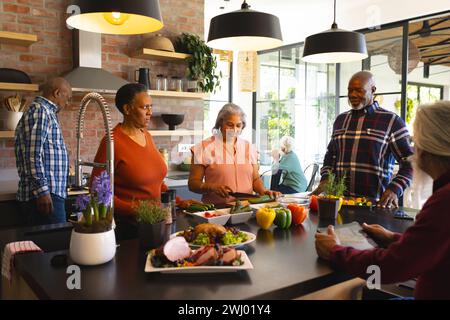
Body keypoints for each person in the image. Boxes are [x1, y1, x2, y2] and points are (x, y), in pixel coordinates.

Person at [315, 101, 450, 300]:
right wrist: (394, 239)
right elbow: (428, 247)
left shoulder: (444, 201)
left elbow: (393, 266)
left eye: (416, 142)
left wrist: (335, 251)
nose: (412, 149)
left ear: (430, 148)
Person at [312, 71, 413, 208]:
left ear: (373, 90)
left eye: (359, 90)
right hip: (340, 204)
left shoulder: (392, 121)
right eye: (350, 90)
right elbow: (330, 156)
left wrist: (394, 189)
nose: (353, 94)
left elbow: (410, 162)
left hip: (375, 206)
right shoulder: (340, 120)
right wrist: (325, 179)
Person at [91, 83, 167, 240]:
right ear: (127, 109)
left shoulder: (147, 136)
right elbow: (98, 193)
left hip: (156, 223)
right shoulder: (112, 142)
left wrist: (178, 200)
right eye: (145, 107)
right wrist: (138, 209)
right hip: (129, 229)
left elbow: (154, 181)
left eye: (151, 107)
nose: (150, 113)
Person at [188, 103, 281, 205]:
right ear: (220, 123)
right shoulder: (203, 148)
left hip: (246, 208)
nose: (234, 130)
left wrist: (263, 191)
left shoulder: (249, 148)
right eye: (230, 124)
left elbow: (255, 179)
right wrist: (212, 187)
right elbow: (193, 184)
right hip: (217, 210)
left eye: (238, 125)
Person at [15, 77, 72, 225]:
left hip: (49, 194)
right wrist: (42, 192)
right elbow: (32, 155)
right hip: (44, 196)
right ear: (57, 93)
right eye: (67, 97)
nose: (68, 102)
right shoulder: (40, 111)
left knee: (51, 245)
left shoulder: (45, 112)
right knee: (53, 245)